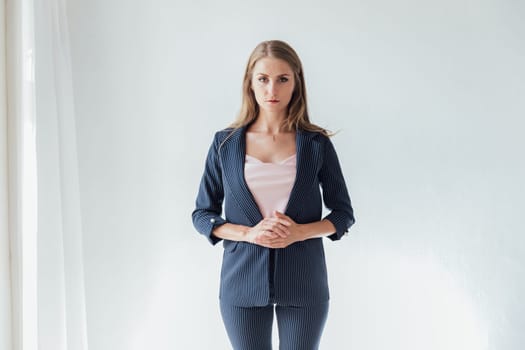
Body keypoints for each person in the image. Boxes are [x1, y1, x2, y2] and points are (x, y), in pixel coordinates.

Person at [192, 39, 355, 350]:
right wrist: (248, 233)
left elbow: (343, 214)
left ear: (296, 83)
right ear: (250, 83)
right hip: (241, 283)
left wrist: (299, 233)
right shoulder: (225, 144)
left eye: (283, 79)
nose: (272, 91)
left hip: (304, 282)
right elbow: (202, 214)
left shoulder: (315, 144)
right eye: (263, 79)